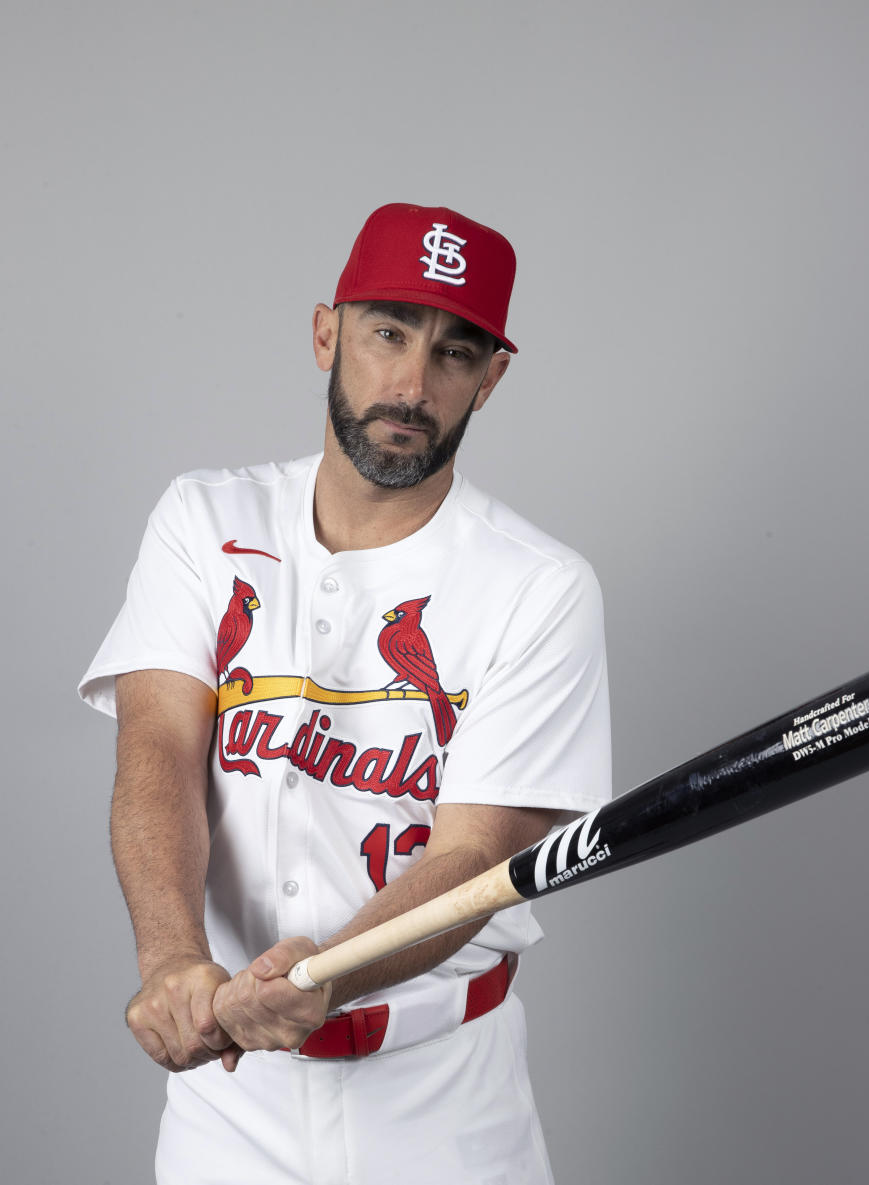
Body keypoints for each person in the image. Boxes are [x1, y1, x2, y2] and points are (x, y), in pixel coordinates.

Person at [80, 202, 612, 1185]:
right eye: (387, 332)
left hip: (440, 1097)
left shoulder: (538, 587)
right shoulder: (205, 520)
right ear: (326, 332)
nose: (411, 384)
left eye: (456, 353)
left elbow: (473, 861)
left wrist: (315, 980)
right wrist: (170, 961)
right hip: (226, 1102)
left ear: (491, 379)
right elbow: (156, 755)